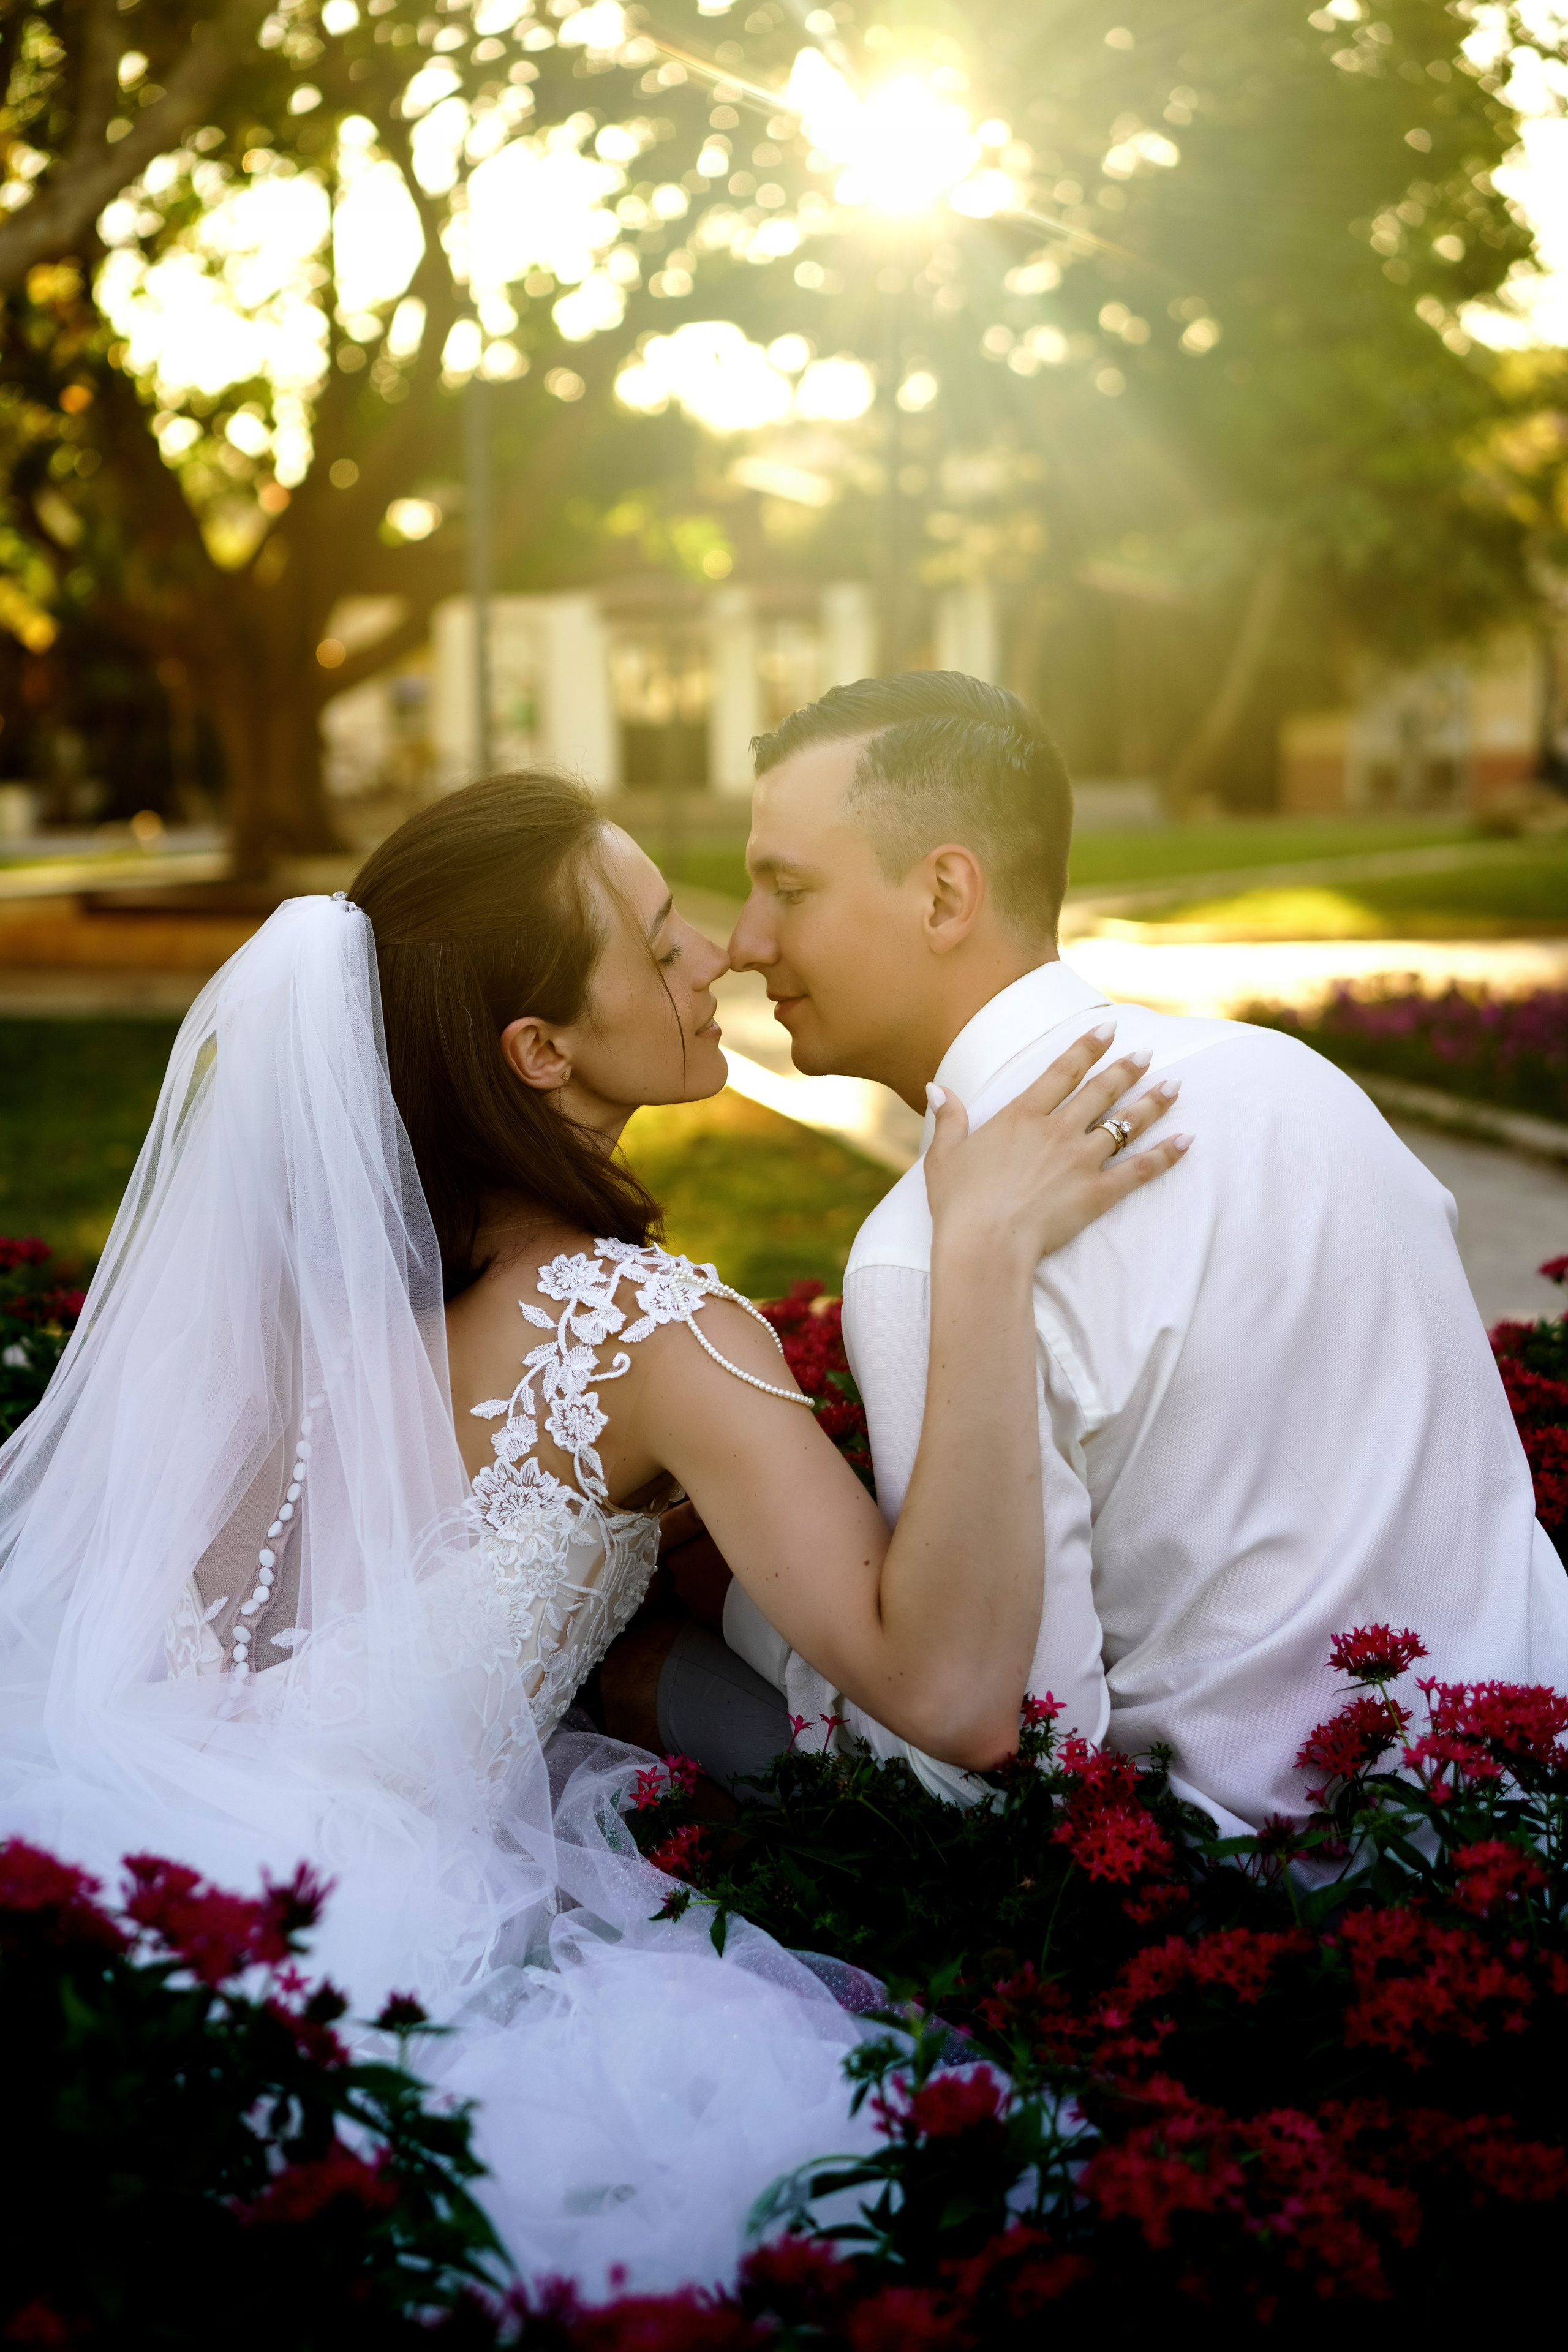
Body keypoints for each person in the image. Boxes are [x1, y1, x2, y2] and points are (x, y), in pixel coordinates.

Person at [0, 772, 1183, 2292]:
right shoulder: (647, 1332)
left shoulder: (274, 1296)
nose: (716, 956)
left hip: (113, 1831)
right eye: (654, 939)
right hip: (371, 1943)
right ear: (539, 1049)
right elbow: (949, 1694)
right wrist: (984, 1252)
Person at [680, 669, 1568, 1837]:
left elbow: (1022, 1749)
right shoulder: (1300, 1083)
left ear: (947, 892)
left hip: (1280, 1902)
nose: (744, 943)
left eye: (786, 887)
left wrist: (742, 1630)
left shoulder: (926, 1254)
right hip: (1532, 1798)